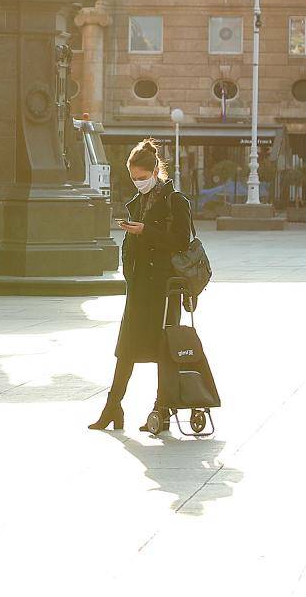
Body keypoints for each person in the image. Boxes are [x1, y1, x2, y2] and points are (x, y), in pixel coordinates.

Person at [89, 139, 194, 436]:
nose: (138, 183)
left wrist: (146, 231)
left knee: (164, 349)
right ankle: (113, 406)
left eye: (142, 177)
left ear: (154, 172)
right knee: (127, 348)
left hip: (163, 288)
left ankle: (162, 409)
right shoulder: (136, 203)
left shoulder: (176, 201)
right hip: (139, 287)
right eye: (133, 178)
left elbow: (181, 241)